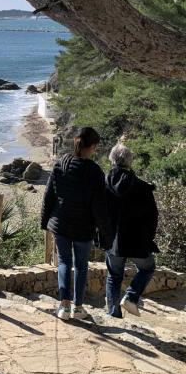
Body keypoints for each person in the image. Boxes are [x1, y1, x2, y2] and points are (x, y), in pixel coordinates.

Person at [41, 127, 112, 320]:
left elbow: (49, 196)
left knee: (64, 261)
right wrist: (106, 234)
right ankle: (78, 308)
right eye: (95, 147)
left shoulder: (60, 164)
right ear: (92, 147)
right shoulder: (95, 172)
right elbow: (99, 207)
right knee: (81, 266)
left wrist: (44, 221)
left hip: (61, 224)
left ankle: (64, 306)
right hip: (83, 228)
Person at [105, 143, 159, 317]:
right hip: (138, 241)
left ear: (112, 160)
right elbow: (153, 217)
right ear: (130, 162)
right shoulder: (143, 187)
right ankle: (131, 296)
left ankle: (113, 313)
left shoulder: (103, 183)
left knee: (114, 276)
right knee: (147, 268)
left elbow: (97, 211)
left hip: (113, 240)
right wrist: (148, 239)